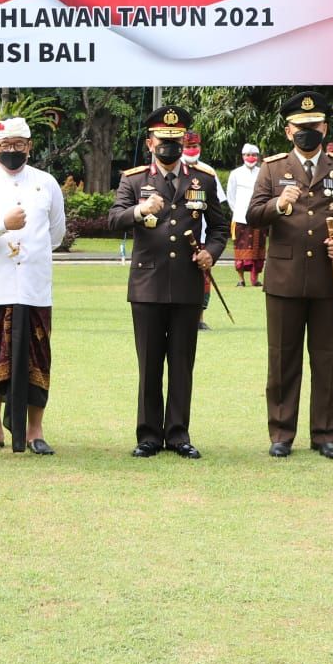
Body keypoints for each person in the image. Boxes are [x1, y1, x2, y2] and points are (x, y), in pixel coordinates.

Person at [246, 91, 333, 459]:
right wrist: (278, 205)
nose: (307, 132)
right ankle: (281, 432)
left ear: (325, 128)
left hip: (328, 279)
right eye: (301, 127)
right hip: (284, 276)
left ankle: (324, 434)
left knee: (326, 357)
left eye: (314, 127)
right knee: (282, 357)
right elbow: (252, 215)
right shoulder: (272, 168)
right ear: (288, 130)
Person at [109, 106, 228, 459]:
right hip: (148, 283)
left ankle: (178, 434)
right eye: (164, 141)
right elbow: (113, 219)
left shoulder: (203, 179)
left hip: (188, 283)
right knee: (149, 363)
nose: (170, 147)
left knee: (181, 363)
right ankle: (148, 435)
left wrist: (212, 252)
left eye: (177, 141)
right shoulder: (133, 180)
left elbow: (220, 228)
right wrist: (141, 211)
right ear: (150, 142)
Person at [0, 116, 66, 455]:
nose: (12, 151)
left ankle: (35, 431)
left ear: (29, 147)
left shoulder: (46, 183)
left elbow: (57, 233)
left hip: (33, 285)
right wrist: (1, 225)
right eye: (5, 146)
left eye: (19, 145)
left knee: (37, 355)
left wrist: (29, 249)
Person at [181, 129, 225, 330]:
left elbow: (217, 209)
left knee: (203, 278)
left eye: (194, 146)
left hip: (203, 234)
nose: (191, 150)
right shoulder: (174, 170)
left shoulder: (208, 173)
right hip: (180, 234)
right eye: (187, 147)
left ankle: (199, 316)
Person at [228, 143, 265, 287]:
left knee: (257, 249)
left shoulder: (262, 172)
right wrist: (237, 211)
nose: (251, 158)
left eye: (254, 155)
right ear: (243, 156)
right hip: (240, 217)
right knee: (240, 249)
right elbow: (230, 195)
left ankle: (254, 279)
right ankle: (241, 279)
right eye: (248, 155)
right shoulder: (235, 173)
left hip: (258, 217)